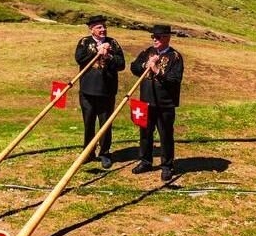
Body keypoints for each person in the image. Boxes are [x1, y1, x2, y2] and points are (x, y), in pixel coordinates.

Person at [130, 24, 184, 181]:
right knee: (145, 134)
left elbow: (175, 79)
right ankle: (145, 161)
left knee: (166, 135)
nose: (154, 39)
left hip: (164, 103)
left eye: (158, 37)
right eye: (153, 37)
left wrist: (156, 70)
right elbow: (134, 67)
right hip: (145, 101)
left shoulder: (175, 57)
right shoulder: (148, 52)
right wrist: (145, 65)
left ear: (167, 38)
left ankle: (167, 166)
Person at [75, 14, 125, 168]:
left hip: (106, 91)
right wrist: (96, 51)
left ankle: (105, 152)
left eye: (104, 26)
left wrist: (108, 55)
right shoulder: (84, 42)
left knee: (105, 124)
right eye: (99, 27)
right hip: (87, 91)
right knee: (88, 122)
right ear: (91, 30)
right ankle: (88, 152)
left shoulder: (113, 43)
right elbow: (79, 59)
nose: (103, 29)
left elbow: (121, 64)